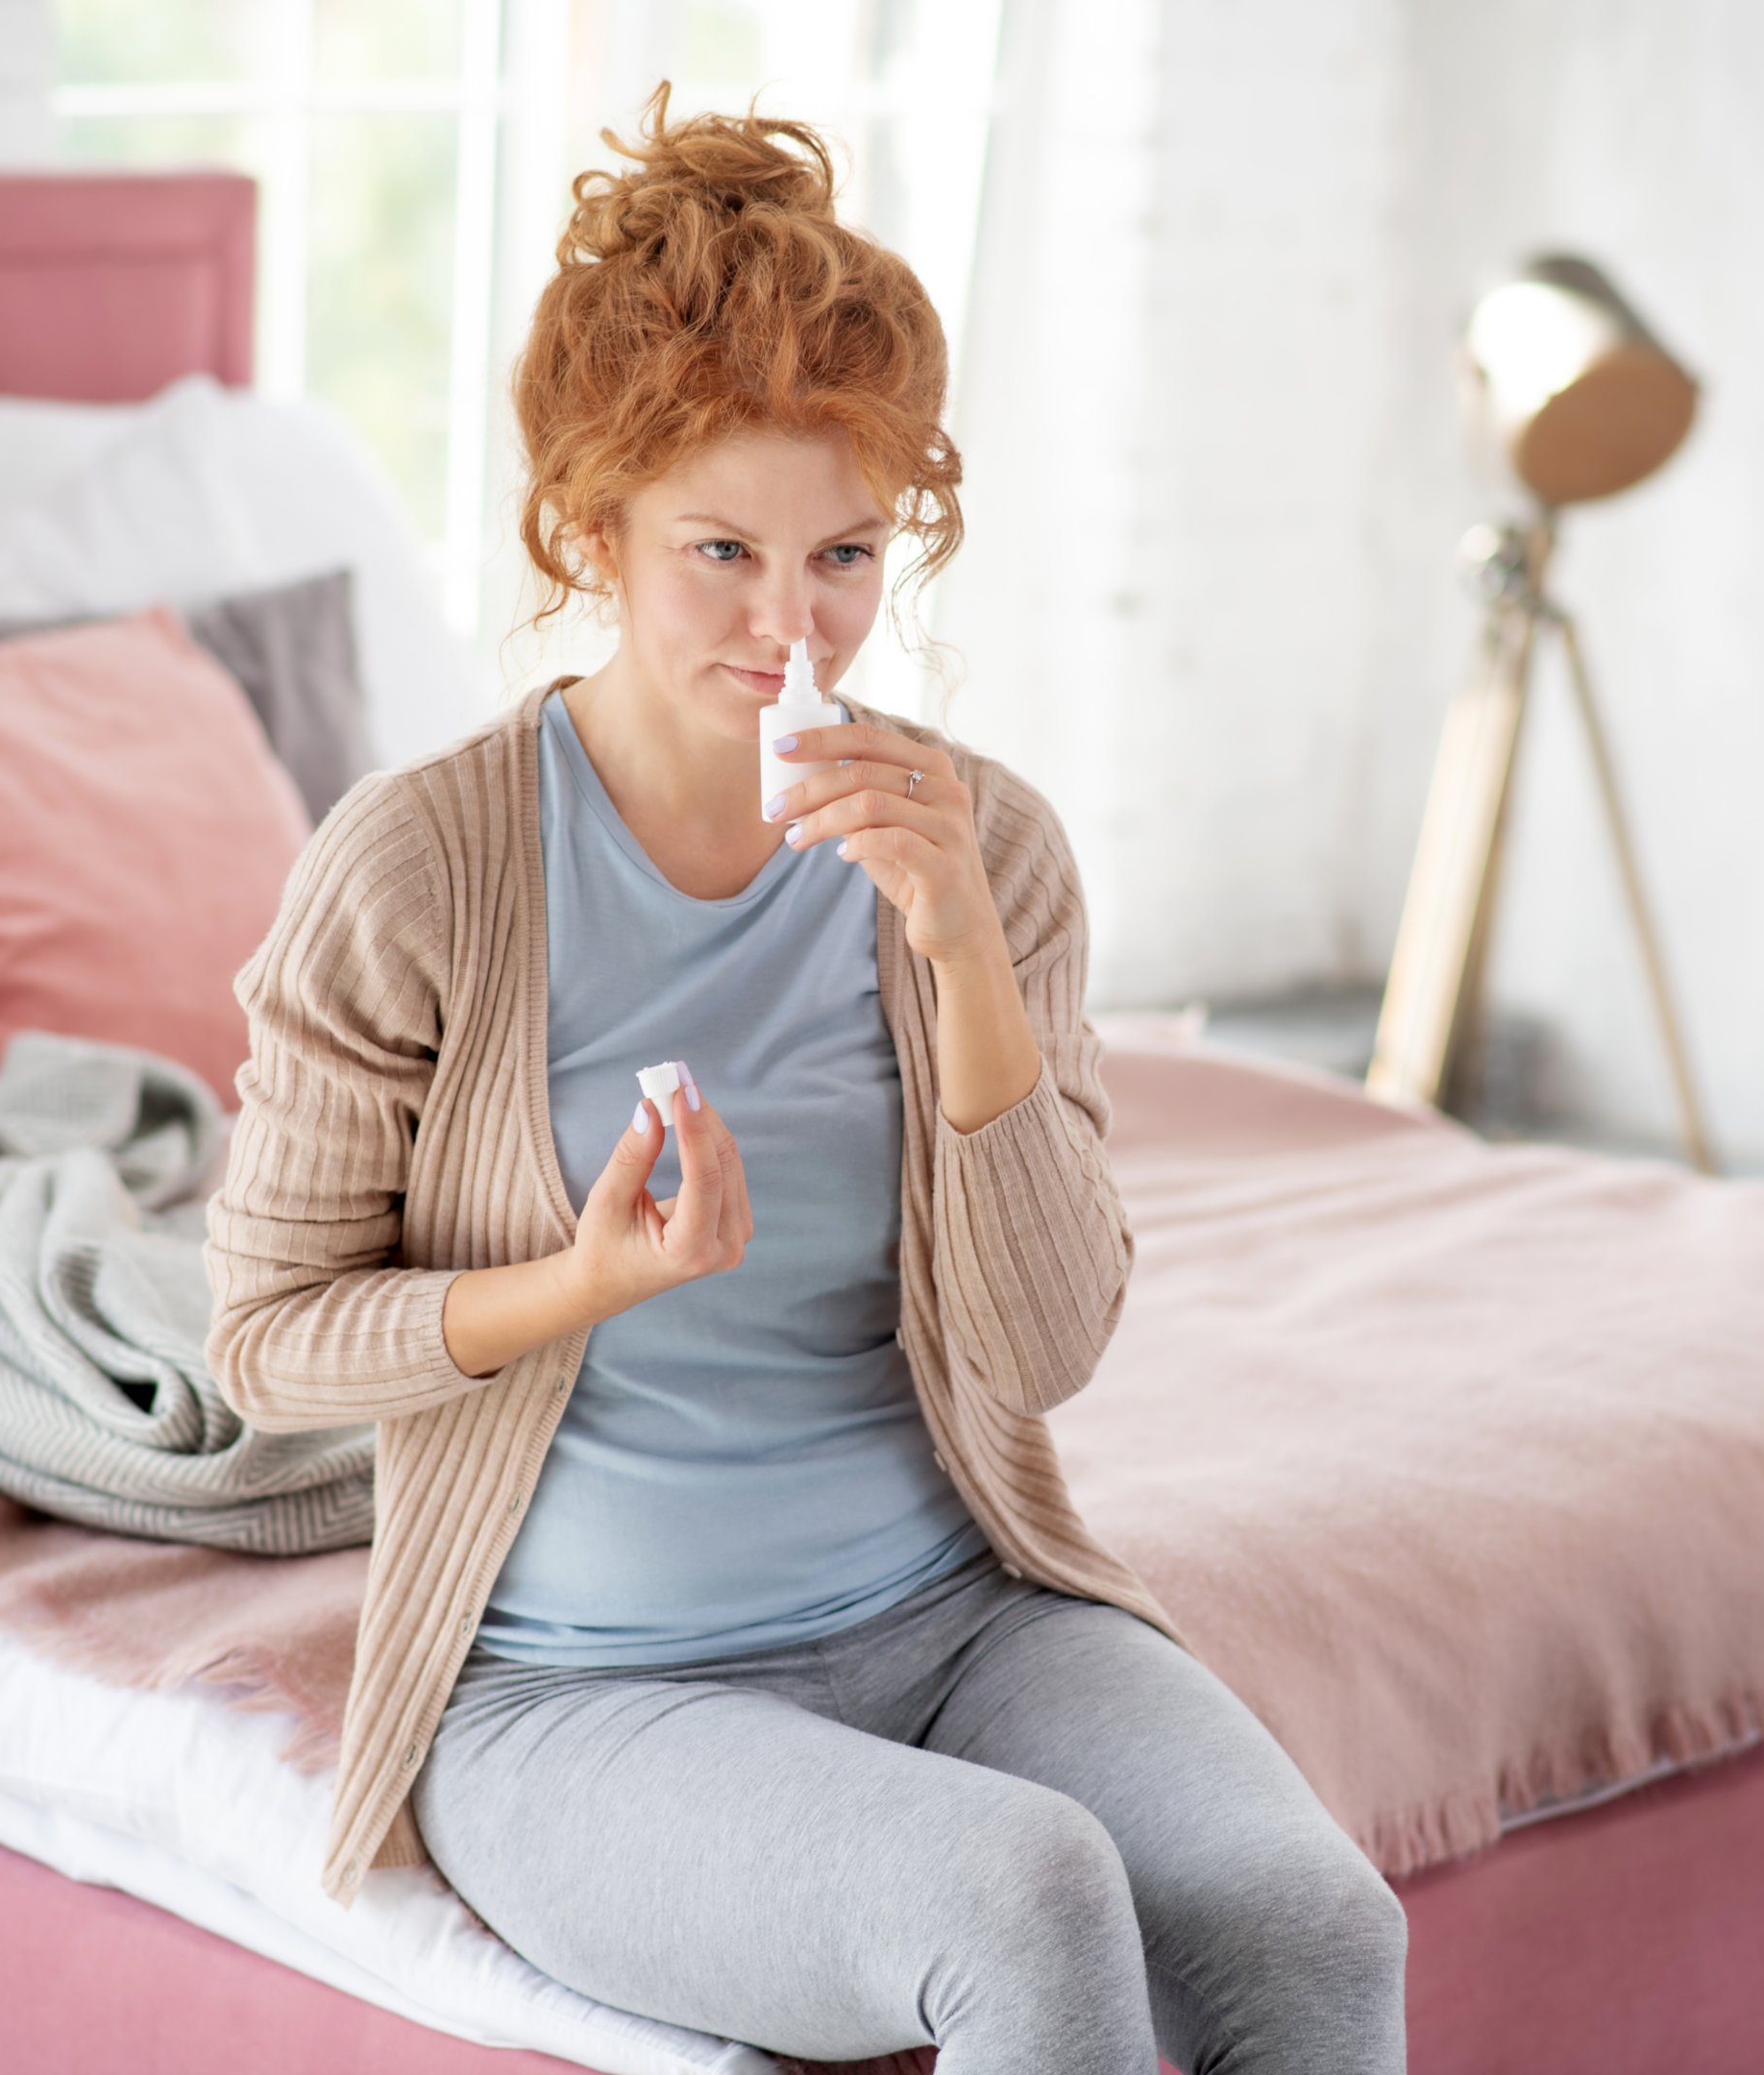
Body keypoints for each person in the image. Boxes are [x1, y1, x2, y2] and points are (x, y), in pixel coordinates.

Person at [204, 91, 1408, 2075]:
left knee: (1310, 1926)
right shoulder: (420, 865)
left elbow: (1040, 1350)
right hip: (583, 1693)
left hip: (964, 1617)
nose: (793, 626)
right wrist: (579, 1288)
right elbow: (268, 1343)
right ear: (588, 536)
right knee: (1023, 1903)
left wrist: (955, 952)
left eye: (845, 554)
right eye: (723, 553)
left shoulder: (984, 846)